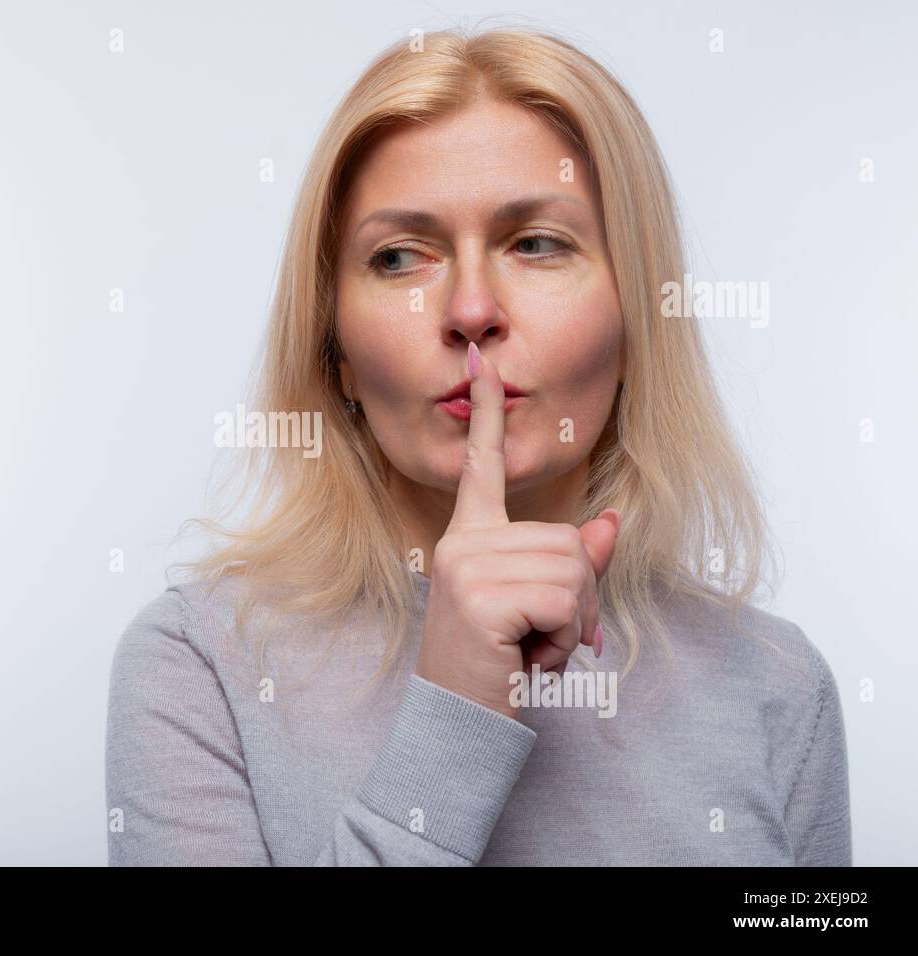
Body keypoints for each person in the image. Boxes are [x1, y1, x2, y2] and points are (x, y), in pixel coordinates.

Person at [104, 26, 850, 866]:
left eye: (536, 243)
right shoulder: (198, 665)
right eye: (398, 257)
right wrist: (456, 709)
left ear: (639, 320)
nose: (469, 309)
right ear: (336, 351)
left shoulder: (780, 688)